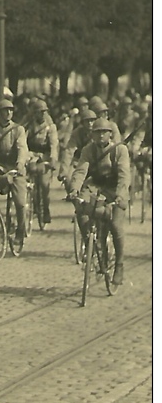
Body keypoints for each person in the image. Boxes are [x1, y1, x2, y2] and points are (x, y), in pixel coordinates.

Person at [67, 118, 130, 285]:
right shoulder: (88, 150)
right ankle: (89, 241)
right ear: (92, 135)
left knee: (115, 225)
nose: (101, 135)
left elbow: (124, 176)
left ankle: (119, 264)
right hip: (95, 187)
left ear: (110, 134)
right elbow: (81, 170)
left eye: (104, 132)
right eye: (97, 132)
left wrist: (120, 195)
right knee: (81, 209)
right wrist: (74, 189)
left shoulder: (120, 150)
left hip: (114, 189)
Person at [0, 99, 29, 247]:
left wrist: (20, 164)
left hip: (15, 167)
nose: (8, 113)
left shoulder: (18, 129)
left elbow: (22, 148)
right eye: (5, 110)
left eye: (10, 110)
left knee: (21, 202)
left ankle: (20, 230)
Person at [25, 99, 59, 224]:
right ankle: (31, 203)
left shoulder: (50, 127)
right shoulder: (29, 124)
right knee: (28, 180)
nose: (42, 114)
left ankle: (46, 209)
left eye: (44, 111)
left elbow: (54, 144)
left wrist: (52, 159)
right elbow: (23, 140)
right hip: (32, 154)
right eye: (40, 112)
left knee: (45, 185)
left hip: (45, 156)